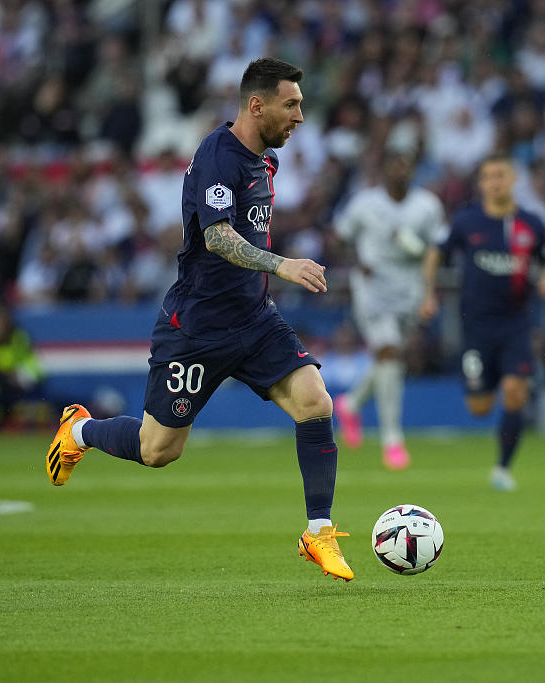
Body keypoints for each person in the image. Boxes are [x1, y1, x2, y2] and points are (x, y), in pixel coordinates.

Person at [46, 58, 354, 581]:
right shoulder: (218, 155)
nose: (300, 117)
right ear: (257, 105)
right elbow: (216, 237)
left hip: (255, 320)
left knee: (316, 403)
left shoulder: (265, 162)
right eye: (292, 104)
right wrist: (283, 264)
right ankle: (81, 430)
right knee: (158, 450)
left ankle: (319, 532)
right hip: (196, 330)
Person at [420, 153, 545, 491]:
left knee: (516, 393)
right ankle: (493, 379)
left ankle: (502, 468)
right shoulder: (466, 221)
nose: (495, 182)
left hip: (516, 323)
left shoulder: (532, 224)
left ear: (513, 180)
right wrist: (428, 295)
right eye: (488, 177)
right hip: (476, 326)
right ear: (481, 184)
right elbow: (435, 254)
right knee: (480, 407)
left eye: (501, 175)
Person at [333, 150, 447, 470]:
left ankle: (351, 403)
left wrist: (428, 292)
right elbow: (340, 237)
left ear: (413, 171)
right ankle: (392, 441)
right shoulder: (364, 204)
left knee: (391, 358)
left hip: (409, 292)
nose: (399, 171)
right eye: (393, 165)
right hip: (372, 291)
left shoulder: (428, 206)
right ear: (383, 171)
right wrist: (358, 263)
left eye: (405, 165)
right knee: (388, 351)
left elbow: (436, 251)